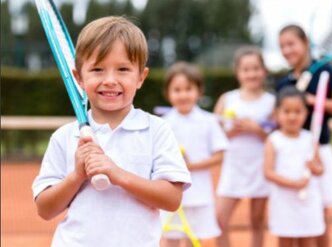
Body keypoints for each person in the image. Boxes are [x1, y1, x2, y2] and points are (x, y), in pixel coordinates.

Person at [32, 16, 191, 247]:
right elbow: (45, 209)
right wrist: (77, 175)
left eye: (123, 69)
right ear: (78, 77)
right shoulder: (64, 137)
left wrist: (118, 174)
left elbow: (171, 199)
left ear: (140, 77)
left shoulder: (156, 130)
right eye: (97, 69)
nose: (110, 80)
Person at [277, 24, 332, 247]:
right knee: (294, 215)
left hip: (319, 151)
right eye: (281, 46)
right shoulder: (284, 82)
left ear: (305, 42)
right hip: (291, 156)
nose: (286, 50)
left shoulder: (325, 72)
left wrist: (312, 101)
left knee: (318, 215)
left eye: (291, 44)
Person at [161, 62, 229, 247]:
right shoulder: (163, 124)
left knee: (194, 240)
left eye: (188, 89)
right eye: (177, 89)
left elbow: (220, 155)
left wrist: (192, 166)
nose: (183, 94)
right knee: (171, 240)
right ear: (168, 93)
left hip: (200, 194)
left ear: (199, 91)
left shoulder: (209, 121)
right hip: (171, 194)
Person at [214, 46, 275, 247]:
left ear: (264, 71)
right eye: (246, 69)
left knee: (257, 222)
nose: (251, 73)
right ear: (238, 73)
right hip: (233, 168)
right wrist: (233, 131)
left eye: (256, 68)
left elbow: (277, 139)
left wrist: (256, 129)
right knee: (219, 221)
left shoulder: (272, 102)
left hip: (260, 167)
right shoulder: (227, 99)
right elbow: (214, 135)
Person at [264, 86, 325, 247]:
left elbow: (320, 170)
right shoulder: (274, 140)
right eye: (287, 111)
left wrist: (314, 167)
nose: (292, 116)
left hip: (308, 200)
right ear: (277, 114)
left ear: (306, 113)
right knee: (285, 239)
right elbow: (268, 172)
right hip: (284, 201)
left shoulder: (310, 139)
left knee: (308, 240)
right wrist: (294, 184)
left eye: (298, 111)